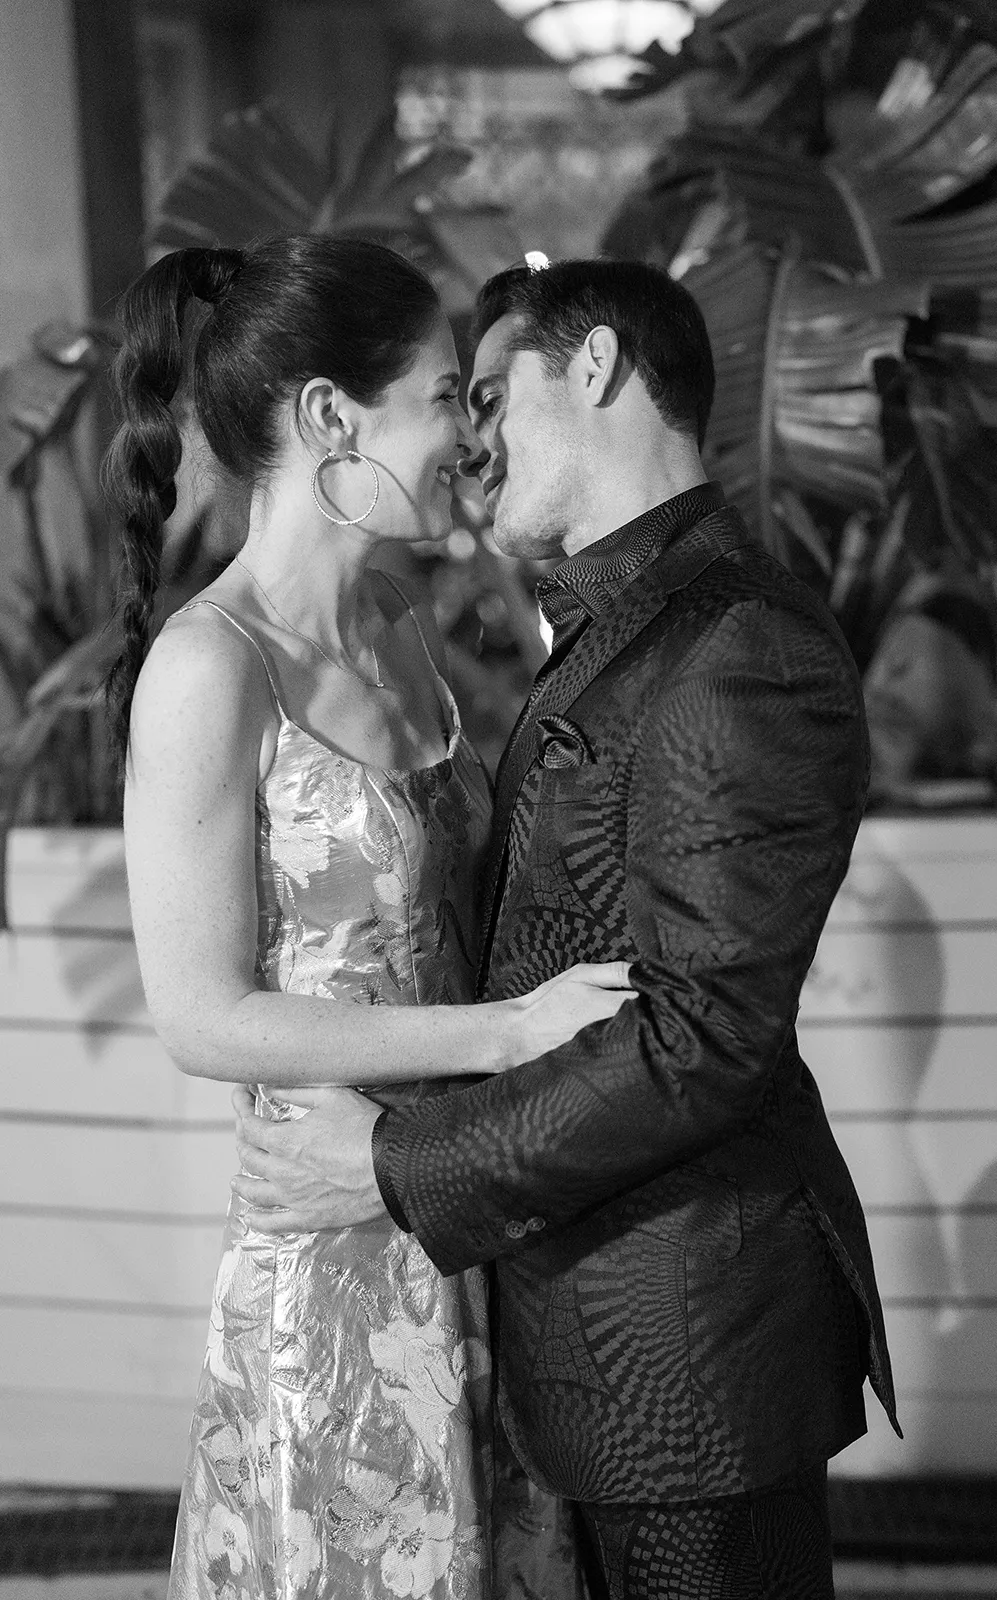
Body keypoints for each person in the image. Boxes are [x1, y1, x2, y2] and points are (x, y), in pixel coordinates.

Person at [231, 257, 902, 1599]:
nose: (473, 433)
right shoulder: (631, 621)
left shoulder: (734, 643)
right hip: (589, 1321)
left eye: (489, 391)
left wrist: (391, 1168)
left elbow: (703, 1036)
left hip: (685, 1342)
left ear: (591, 367)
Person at [105, 236, 634, 1600]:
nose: (475, 428)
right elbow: (200, 1014)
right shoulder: (209, 669)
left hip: (464, 1209)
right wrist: (510, 1033)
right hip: (332, 1263)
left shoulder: (401, 620)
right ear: (334, 419)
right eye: (449, 394)